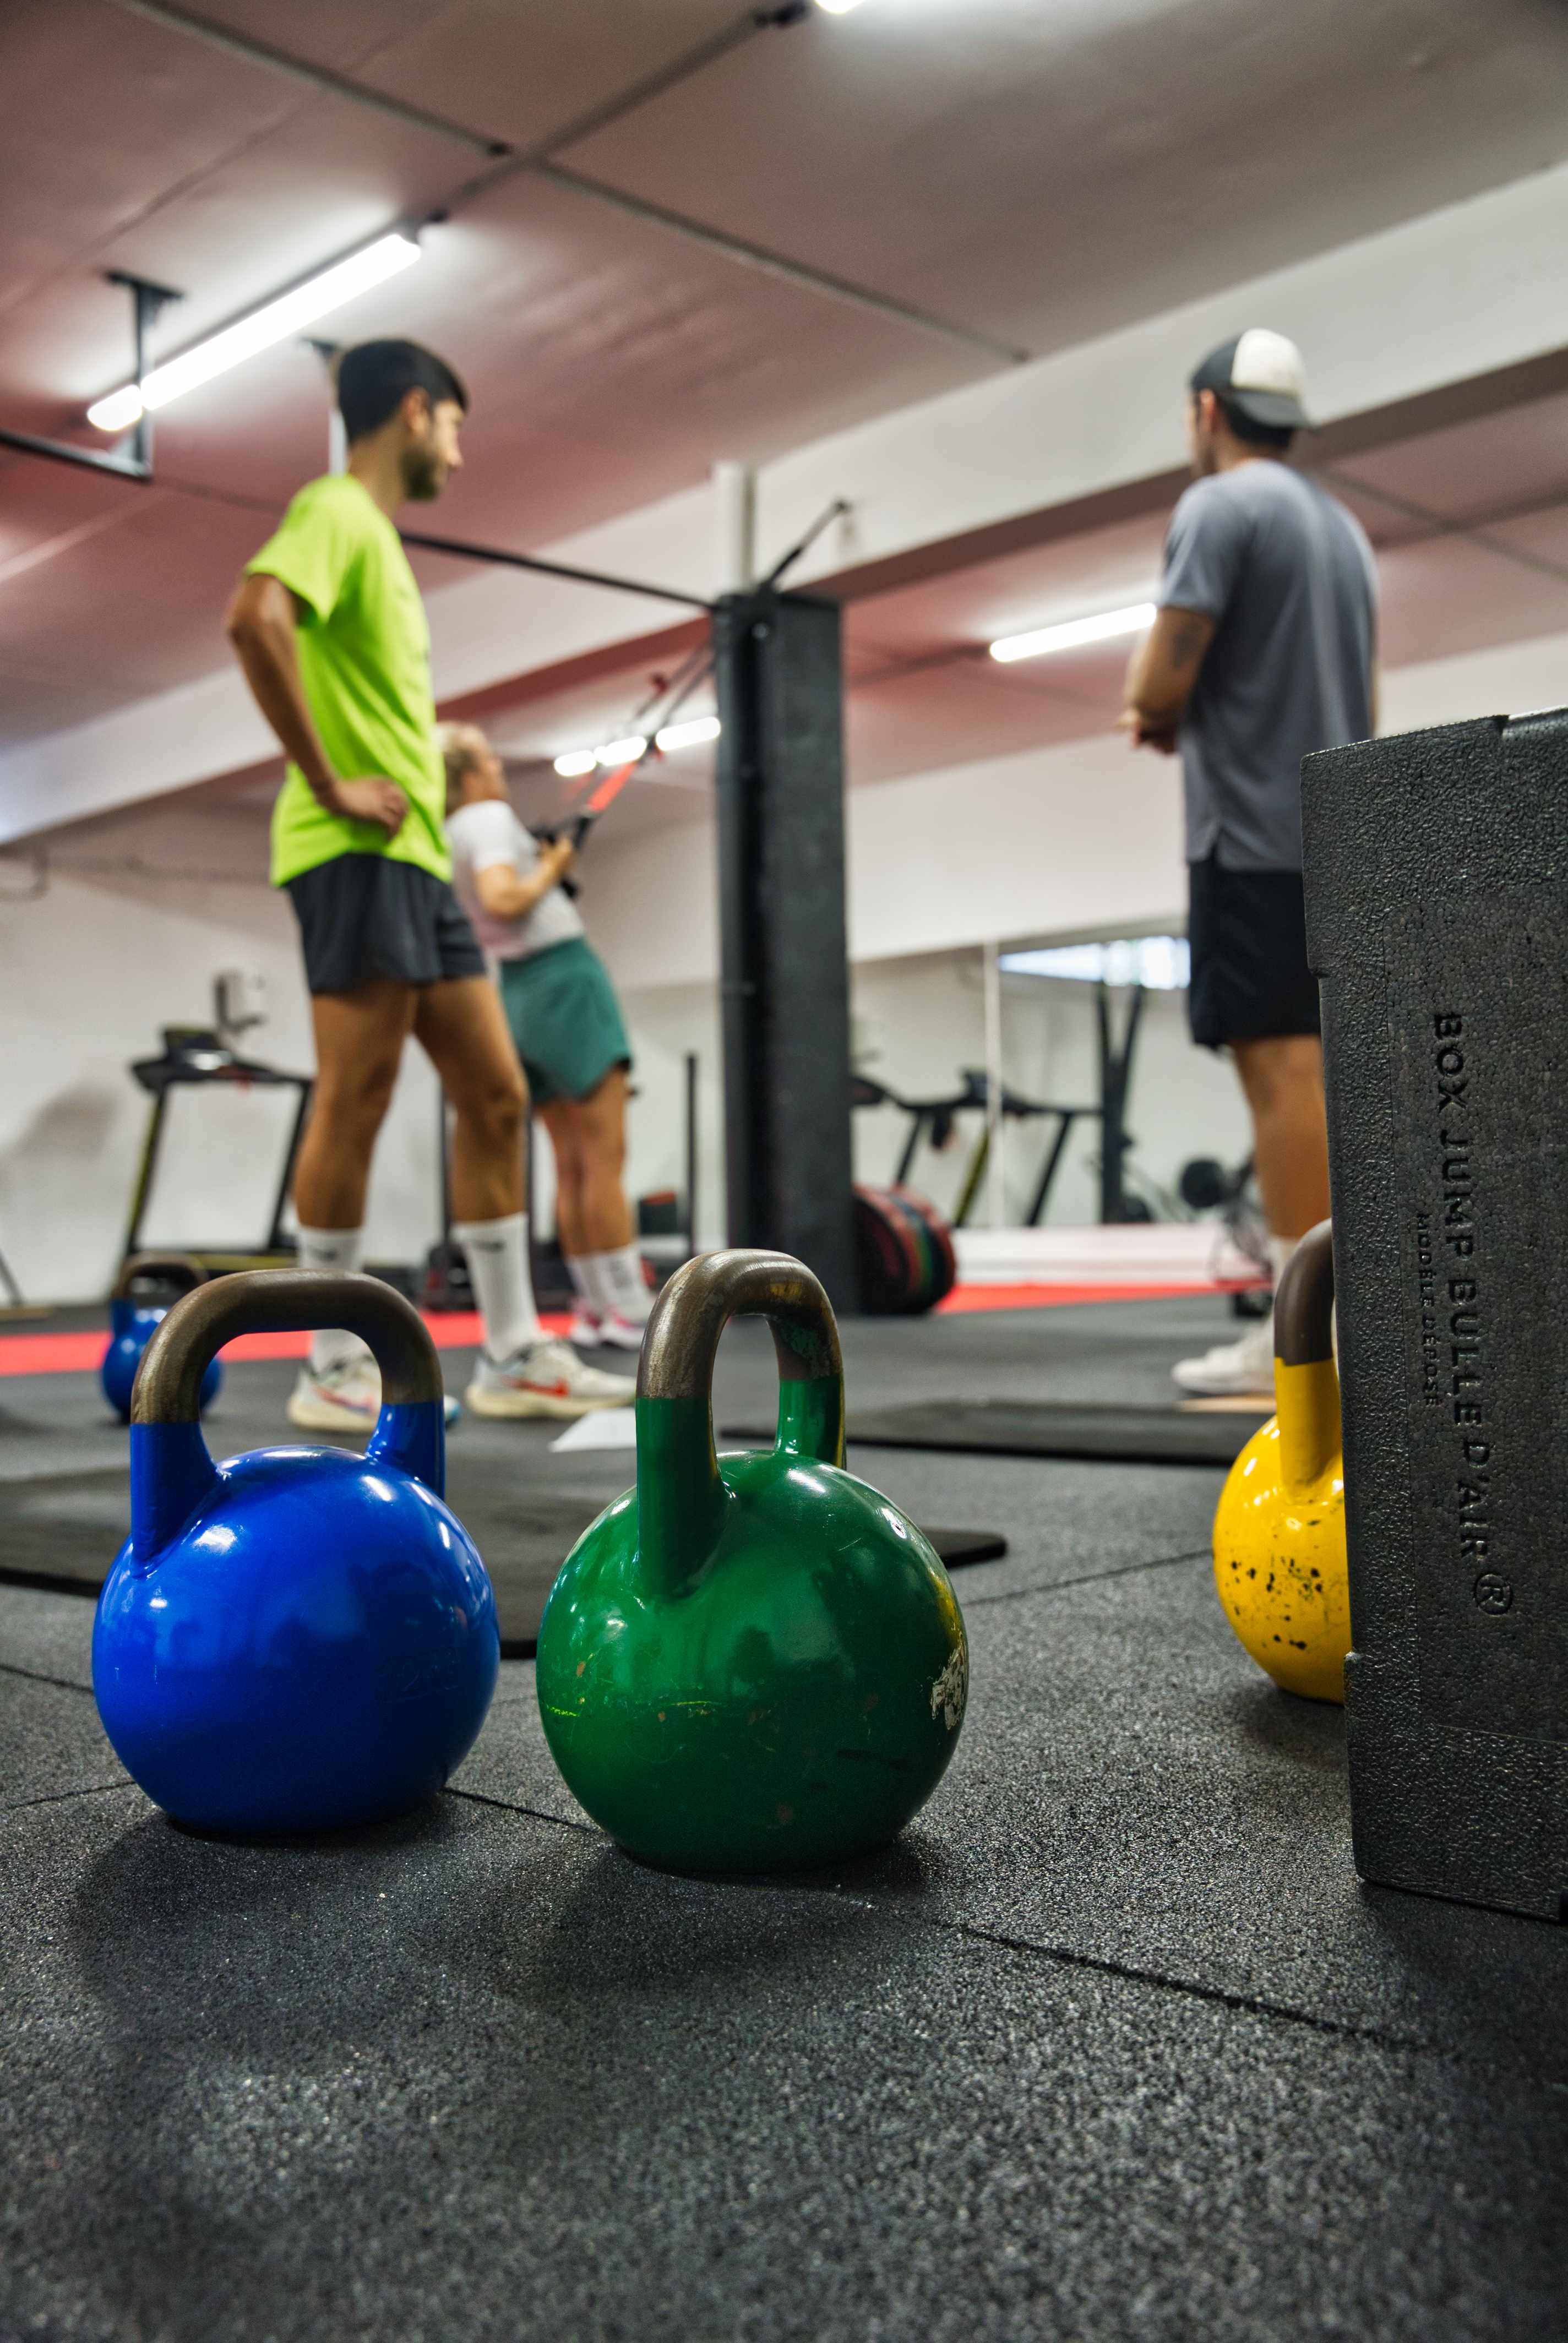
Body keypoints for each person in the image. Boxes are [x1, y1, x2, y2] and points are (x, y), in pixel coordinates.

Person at [225, 339, 634, 1426]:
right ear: (413, 413)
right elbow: (251, 616)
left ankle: (511, 1354)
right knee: (354, 1097)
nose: (458, 448)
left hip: (413, 864)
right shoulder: (337, 512)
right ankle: (329, 1365)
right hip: (348, 850)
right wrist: (329, 778)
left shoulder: (380, 546)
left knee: (496, 1094)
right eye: (454, 423)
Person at [1120, 329, 1378, 1396]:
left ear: (1206, 413)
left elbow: (1156, 679)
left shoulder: (1218, 507)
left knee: (1280, 1077)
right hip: (1337, 833)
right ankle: (1340, 1316)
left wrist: (1150, 705)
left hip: (1252, 835)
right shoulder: (1340, 528)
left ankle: (1301, 1340)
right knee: (1319, 1075)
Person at [440, 722, 653, 1350]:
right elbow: (503, 897)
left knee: (571, 1162)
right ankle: (631, 1307)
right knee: (604, 1157)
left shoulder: (448, 833)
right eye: (489, 760)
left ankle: (595, 1304)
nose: (499, 770)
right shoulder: (484, 817)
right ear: (469, 775)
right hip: (562, 977)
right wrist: (554, 866)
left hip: (519, 992)